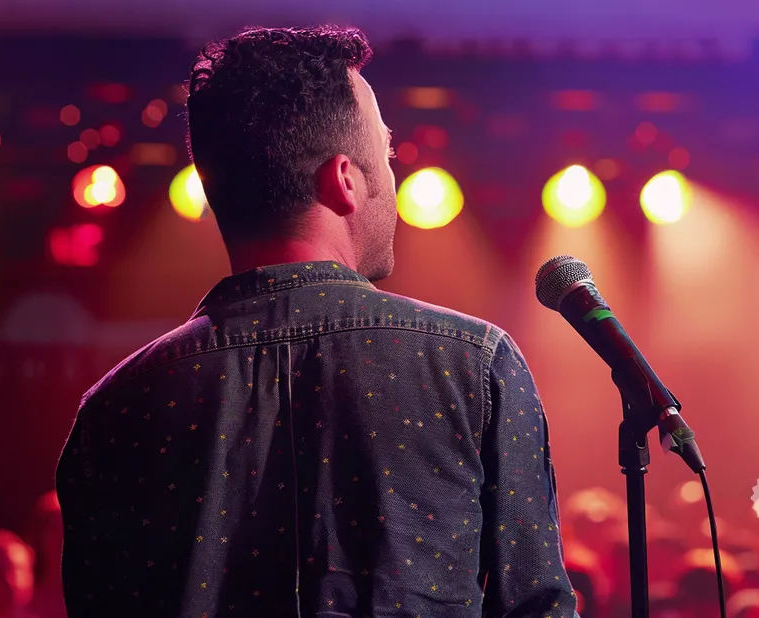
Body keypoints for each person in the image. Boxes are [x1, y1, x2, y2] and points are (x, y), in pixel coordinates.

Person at [57, 25, 576, 618]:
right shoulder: (474, 363)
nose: (393, 177)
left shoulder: (117, 407)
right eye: (386, 155)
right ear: (343, 180)